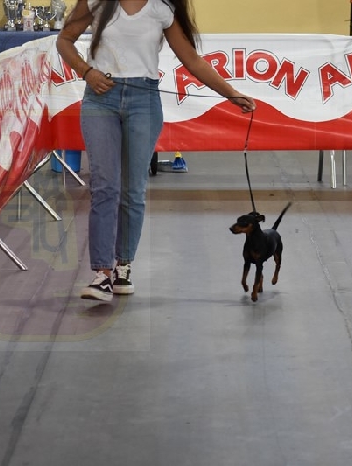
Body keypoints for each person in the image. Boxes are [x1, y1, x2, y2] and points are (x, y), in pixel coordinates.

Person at [57, 0, 256, 301]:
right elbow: (64, 40)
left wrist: (231, 94)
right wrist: (86, 72)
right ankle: (102, 274)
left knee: (133, 190)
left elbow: (192, 61)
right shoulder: (96, 2)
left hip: (144, 101)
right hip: (99, 98)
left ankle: (123, 266)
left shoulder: (162, 8)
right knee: (104, 186)